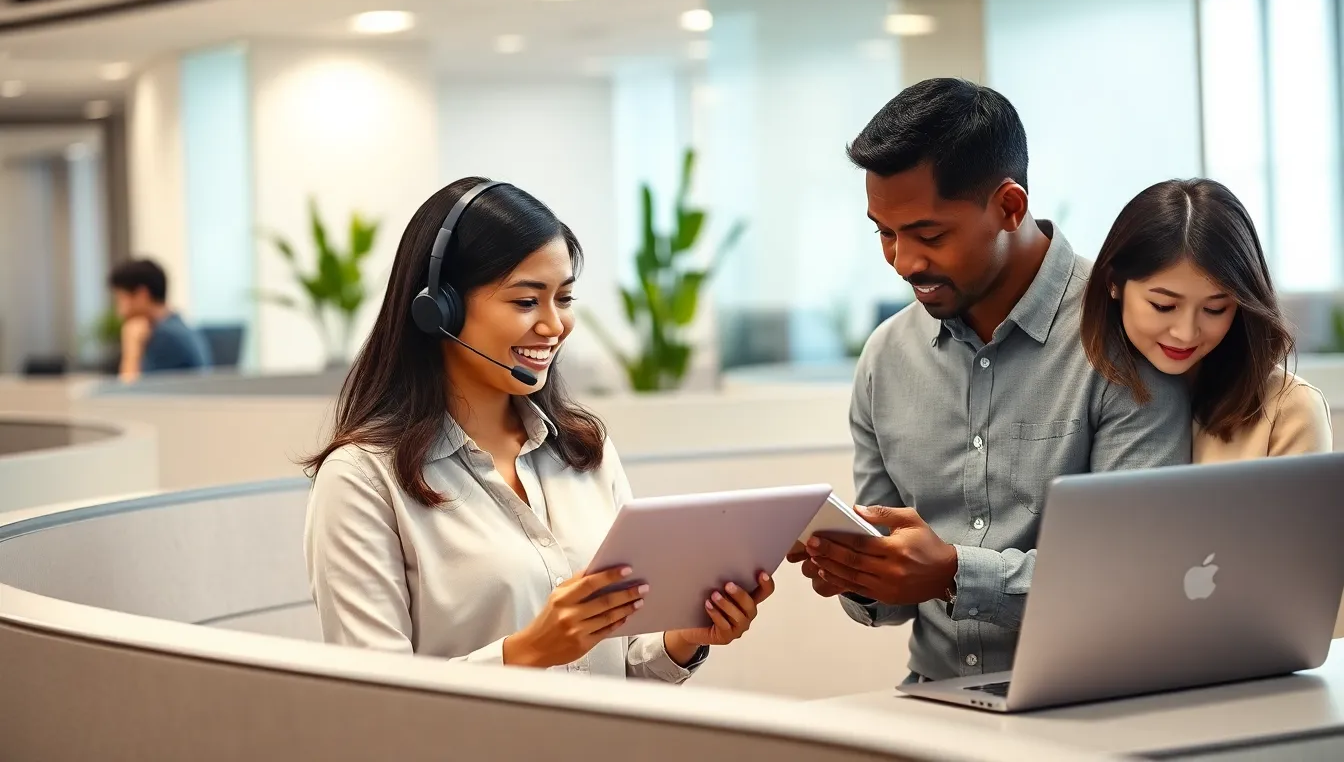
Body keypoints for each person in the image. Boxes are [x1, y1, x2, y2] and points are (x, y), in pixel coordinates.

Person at [786, 78, 1192, 683]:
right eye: (885, 233)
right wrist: (864, 573)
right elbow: (894, 601)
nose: (903, 262)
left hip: (1090, 704)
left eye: (930, 235)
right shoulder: (885, 358)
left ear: (1009, 207)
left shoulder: (1126, 336)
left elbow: (1132, 576)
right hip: (933, 698)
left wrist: (955, 573)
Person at [303, 177, 773, 682]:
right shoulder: (362, 480)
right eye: (527, 302)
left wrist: (683, 639)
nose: (554, 326)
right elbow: (375, 698)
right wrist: (527, 651)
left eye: (564, 298)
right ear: (439, 309)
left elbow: (622, 665)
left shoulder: (585, 451)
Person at [1080, 178, 1332, 461]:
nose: (1186, 333)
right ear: (1113, 283)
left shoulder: (1290, 411)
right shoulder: (1084, 391)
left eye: (1215, 309)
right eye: (1164, 306)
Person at [109, 258, 211, 381]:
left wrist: (131, 350)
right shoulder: (178, 327)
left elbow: (130, 391)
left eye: (120, 299)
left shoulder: (164, 337)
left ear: (142, 295)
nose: (119, 312)